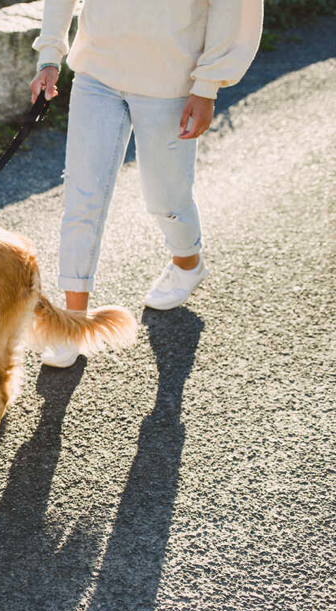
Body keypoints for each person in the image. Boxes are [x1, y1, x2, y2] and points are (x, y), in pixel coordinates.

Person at [29, 0, 263, 367]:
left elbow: (231, 8)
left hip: (172, 80)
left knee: (166, 198)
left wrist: (207, 86)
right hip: (96, 71)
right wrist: (49, 56)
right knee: (82, 198)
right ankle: (73, 325)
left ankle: (188, 264)